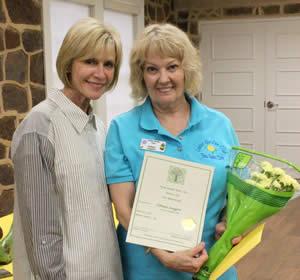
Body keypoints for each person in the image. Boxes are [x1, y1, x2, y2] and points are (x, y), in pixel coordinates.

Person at [104, 23, 239, 280]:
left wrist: (229, 222)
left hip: (214, 264)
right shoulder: (122, 129)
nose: (163, 78)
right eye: (152, 69)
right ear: (141, 75)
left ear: (186, 70)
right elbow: (124, 210)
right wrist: (164, 255)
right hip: (148, 269)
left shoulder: (220, 125)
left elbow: (235, 192)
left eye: (172, 67)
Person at [11, 17, 123, 280]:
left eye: (108, 64)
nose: (101, 73)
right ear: (69, 62)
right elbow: (40, 231)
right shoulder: (39, 126)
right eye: (90, 61)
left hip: (108, 270)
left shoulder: (100, 129)